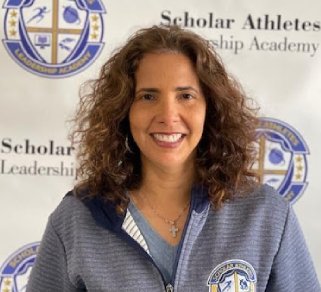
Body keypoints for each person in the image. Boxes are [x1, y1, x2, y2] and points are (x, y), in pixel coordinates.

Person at [26, 25, 320, 292]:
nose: (168, 116)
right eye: (148, 96)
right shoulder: (78, 219)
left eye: (186, 96)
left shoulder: (264, 215)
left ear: (211, 108)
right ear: (123, 111)